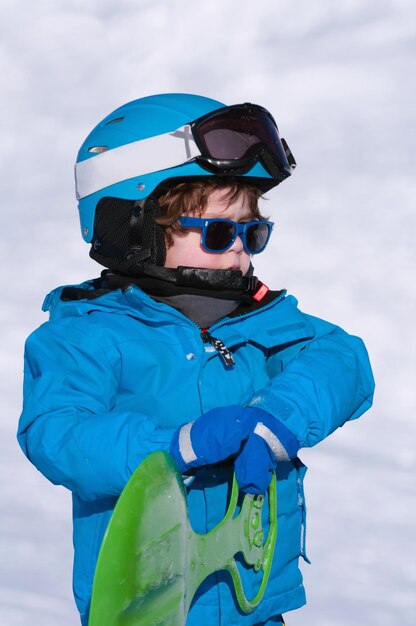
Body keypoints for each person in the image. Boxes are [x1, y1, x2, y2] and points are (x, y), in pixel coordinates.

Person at [17, 93, 375, 626]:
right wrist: (172, 447)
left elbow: (343, 361)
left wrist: (278, 419)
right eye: (218, 232)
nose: (241, 251)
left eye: (253, 233)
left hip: (254, 603)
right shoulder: (88, 336)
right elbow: (58, 432)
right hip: (147, 607)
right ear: (134, 226)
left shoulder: (260, 319)